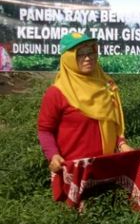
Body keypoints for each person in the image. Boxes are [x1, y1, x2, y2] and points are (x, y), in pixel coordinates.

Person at [37, 32, 134, 196]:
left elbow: (114, 123)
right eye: (80, 54)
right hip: (75, 173)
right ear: (68, 58)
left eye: (91, 52)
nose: (87, 58)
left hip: (107, 169)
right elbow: (45, 130)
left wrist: (122, 144)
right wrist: (53, 155)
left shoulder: (107, 85)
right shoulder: (57, 93)